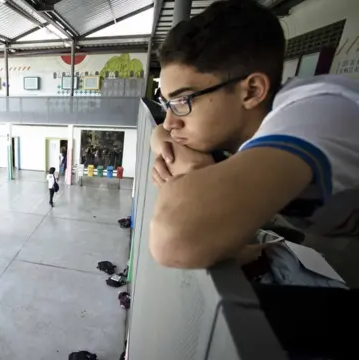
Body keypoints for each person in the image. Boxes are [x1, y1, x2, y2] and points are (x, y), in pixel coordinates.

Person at [148, 0, 359, 358]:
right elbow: (161, 131)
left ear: (251, 91)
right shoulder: (245, 128)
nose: (171, 122)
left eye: (182, 103)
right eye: (166, 104)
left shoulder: (317, 114)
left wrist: (195, 174)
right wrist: (164, 141)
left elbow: (175, 238)